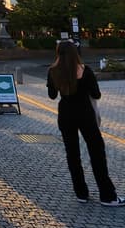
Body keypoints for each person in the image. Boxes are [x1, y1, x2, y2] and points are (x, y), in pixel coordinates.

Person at [47, 40, 124, 206]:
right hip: (85, 115)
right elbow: (96, 94)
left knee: (72, 154)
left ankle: (81, 193)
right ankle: (107, 195)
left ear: (58, 53)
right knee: (97, 152)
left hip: (66, 115)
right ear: (75, 53)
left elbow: (52, 95)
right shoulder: (85, 70)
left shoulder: (53, 71)